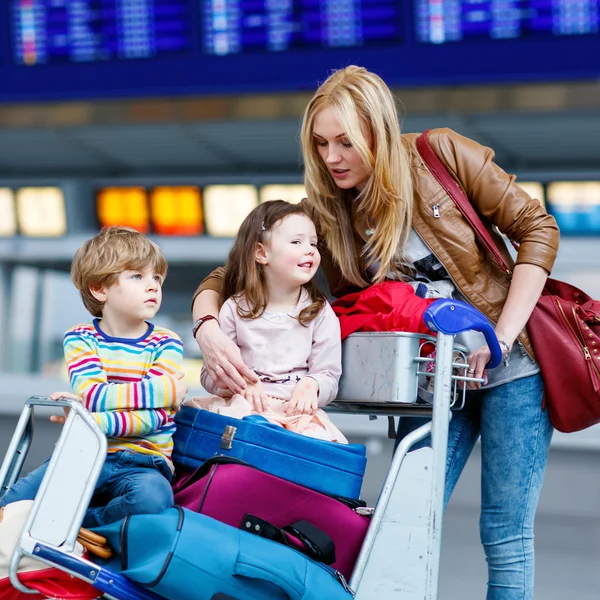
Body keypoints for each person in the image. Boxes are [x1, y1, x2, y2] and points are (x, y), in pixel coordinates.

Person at [192, 66, 560, 599]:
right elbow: (235, 271)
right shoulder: (326, 209)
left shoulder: (442, 156)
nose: (331, 157)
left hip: (514, 367)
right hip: (429, 386)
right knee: (399, 520)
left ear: (379, 131)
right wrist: (207, 326)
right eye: (320, 144)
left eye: (345, 141)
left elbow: (537, 229)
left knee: (504, 532)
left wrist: (500, 336)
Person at [0, 226, 186, 527]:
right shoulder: (80, 338)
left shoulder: (167, 342)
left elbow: (155, 420)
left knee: (153, 501)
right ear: (100, 289)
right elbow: (95, 395)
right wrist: (162, 390)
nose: (153, 286)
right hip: (84, 453)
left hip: (145, 462)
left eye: (157, 278)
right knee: (9, 506)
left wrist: (89, 419)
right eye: (137, 276)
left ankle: (80, 525)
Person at [189, 200, 346, 442]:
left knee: (322, 446)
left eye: (313, 243)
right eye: (297, 242)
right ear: (262, 253)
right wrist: (237, 384)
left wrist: (311, 385)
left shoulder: (320, 312)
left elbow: (329, 374)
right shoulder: (234, 307)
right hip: (244, 409)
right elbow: (209, 375)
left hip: (296, 416)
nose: (310, 250)